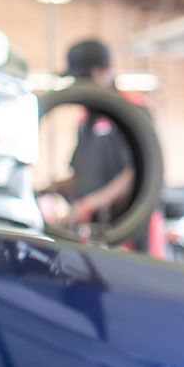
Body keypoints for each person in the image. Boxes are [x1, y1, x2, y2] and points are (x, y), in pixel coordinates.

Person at [42, 39, 144, 248]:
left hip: (125, 230)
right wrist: (47, 189)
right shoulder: (85, 118)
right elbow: (80, 175)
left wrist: (90, 204)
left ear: (105, 71)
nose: (81, 86)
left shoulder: (133, 113)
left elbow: (134, 174)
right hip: (92, 232)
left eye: (85, 78)